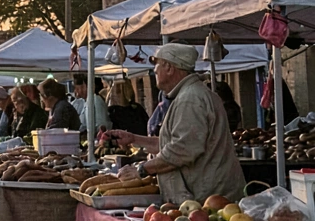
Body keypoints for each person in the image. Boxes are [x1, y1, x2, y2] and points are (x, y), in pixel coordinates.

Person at [105, 44, 246, 204]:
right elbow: (176, 144)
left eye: (157, 64)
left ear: (170, 68)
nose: (155, 71)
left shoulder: (190, 99)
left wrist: (142, 169)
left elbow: (182, 150)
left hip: (208, 199)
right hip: (206, 197)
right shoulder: (190, 95)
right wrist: (133, 139)